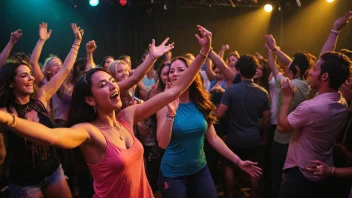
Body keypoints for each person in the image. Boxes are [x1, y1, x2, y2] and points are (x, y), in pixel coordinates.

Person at [0, 25, 213, 198]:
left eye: (112, 81)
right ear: (90, 99)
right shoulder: (89, 132)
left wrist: (203, 53)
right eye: (103, 85)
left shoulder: (127, 116)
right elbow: (51, 137)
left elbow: (175, 89)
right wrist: (8, 118)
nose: (113, 86)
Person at [156, 53, 262, 198]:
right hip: (173, 175)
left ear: (192, 73)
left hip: (200, 171)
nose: (175, 74)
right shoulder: (163, 103)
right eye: (171, 71)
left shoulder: (201, 102)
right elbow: (162, 144)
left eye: (181, 70)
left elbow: (213, 138)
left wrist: (238, 161)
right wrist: (171, 114)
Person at [0, 23, 84, 198]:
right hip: (25, 182)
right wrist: (12, 43)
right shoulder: (5, 112)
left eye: (30, 74)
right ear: (10, 83)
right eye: (24, 75)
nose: (31, 78)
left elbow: (65, 70)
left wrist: (77, 42)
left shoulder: (41, 97)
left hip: (53, 171)